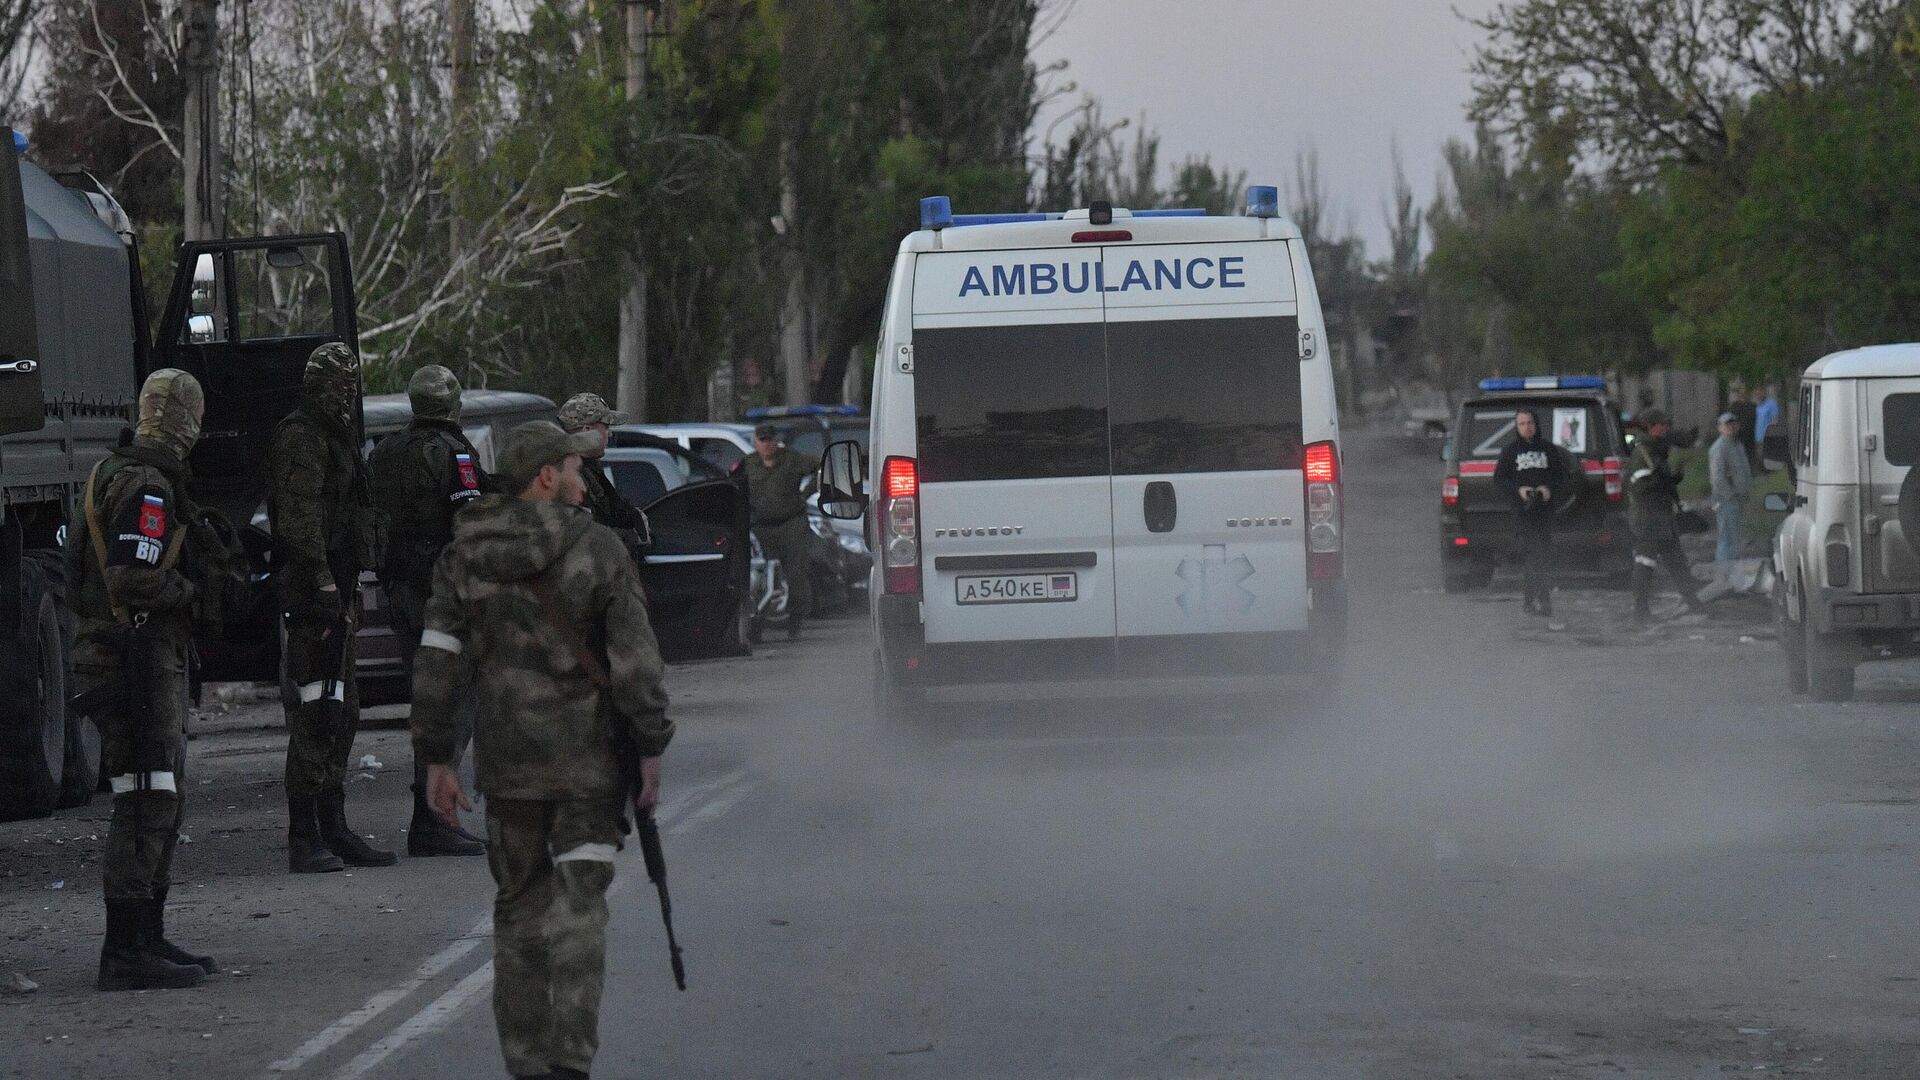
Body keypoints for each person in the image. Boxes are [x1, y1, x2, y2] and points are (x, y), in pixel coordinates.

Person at [410, 421, 674, 1080]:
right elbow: (636, 660)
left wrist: (436, 757)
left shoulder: (463, 554)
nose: (585, 483)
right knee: (581, 912)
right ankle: (571, 1064)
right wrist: (650, 744)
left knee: (519, 914)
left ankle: (526, 1066)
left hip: (508, 773)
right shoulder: (600, 550)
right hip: (589, 773)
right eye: (575, 470)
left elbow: (438, 659)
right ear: (546, 477)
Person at [66, 370, 218, 990]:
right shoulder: (148, 487)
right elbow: (131, 578)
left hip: (123, 656)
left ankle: (145, 935)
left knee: (158, 791)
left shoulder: (116, 471)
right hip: (132, 659)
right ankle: (125, 949)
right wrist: (196, 593)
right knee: (147, 794)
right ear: (189, 422)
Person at [270, 342, 393, 873]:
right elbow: (298, 520)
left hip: (337, 595)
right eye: (342, 383)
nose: (349, 393)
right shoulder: (301, 437)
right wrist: (322, 585)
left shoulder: (336, 436)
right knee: (314, 713)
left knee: (341, 712)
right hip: (314, 599)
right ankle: (305, 836)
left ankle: (333, 827)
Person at [367, 364, 488, 857]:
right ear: (453, 404)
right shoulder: (453, 452)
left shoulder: (385, 452)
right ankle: (434, 816)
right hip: (442, 593)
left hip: (400, 591)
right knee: (453, 703)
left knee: (426, 700)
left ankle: (431, 816)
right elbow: (470, 522)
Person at [1626, 408, 1707, 623]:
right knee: (1645, 563)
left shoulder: (1656, 449)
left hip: (1662, 517)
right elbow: (1639, 486)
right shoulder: (1642, 453)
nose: (1665, 428)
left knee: (1677, 562)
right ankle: (1640, 610)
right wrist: (1665, 482)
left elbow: (1677, 442)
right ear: (1651, 427)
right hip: (1648, 518)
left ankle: (1693, 602)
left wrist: (1672, 479)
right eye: (1661, 424)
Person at [743, 423, 820, 639]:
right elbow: (733, 485)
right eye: (762, 440)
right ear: (756, 443)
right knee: (757, 579)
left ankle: (795, 623)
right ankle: (755, 624)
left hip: (791, 525)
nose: (767, 444)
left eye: (770, 439)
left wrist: (806, 493)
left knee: (796, 575)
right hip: (761, 527)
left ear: (776, 440)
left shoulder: (792, 459)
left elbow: (821, 467)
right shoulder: (748, 465)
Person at [1492, 408, 1568, 617]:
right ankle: (1536, 599)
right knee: (1531, 555)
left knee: (1542, 555)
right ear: (1516, 427)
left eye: (1530, 423)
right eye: (1522, 424)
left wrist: (1547, 489)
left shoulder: (1548, 449)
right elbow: (1499, 479)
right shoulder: (1510, 452)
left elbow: (1561, 476)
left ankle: (1538, 599)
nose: (1527, 427)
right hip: (1522, 512)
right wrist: (1519, 490)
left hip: (1543, 512)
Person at [556, 392, 646, 540]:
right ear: (587, 431)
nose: (608, 434)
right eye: (605, 427)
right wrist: (631, 537)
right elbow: (585, 536)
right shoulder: (569, 475)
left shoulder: (590, 469)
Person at [1701, 410, 1752, 601]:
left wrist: (1745, 492)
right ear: (1720, 427)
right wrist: (1729, 496)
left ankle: (1732, 579)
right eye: (1727, 424)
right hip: (1726, 499)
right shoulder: (1719, 448)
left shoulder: (1737, 445)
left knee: (1735, 537)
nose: (1731, 427)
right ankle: (1722, 580)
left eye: (1733, 423)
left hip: (1738, 498)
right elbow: (1718, 478)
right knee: (1726, 538)